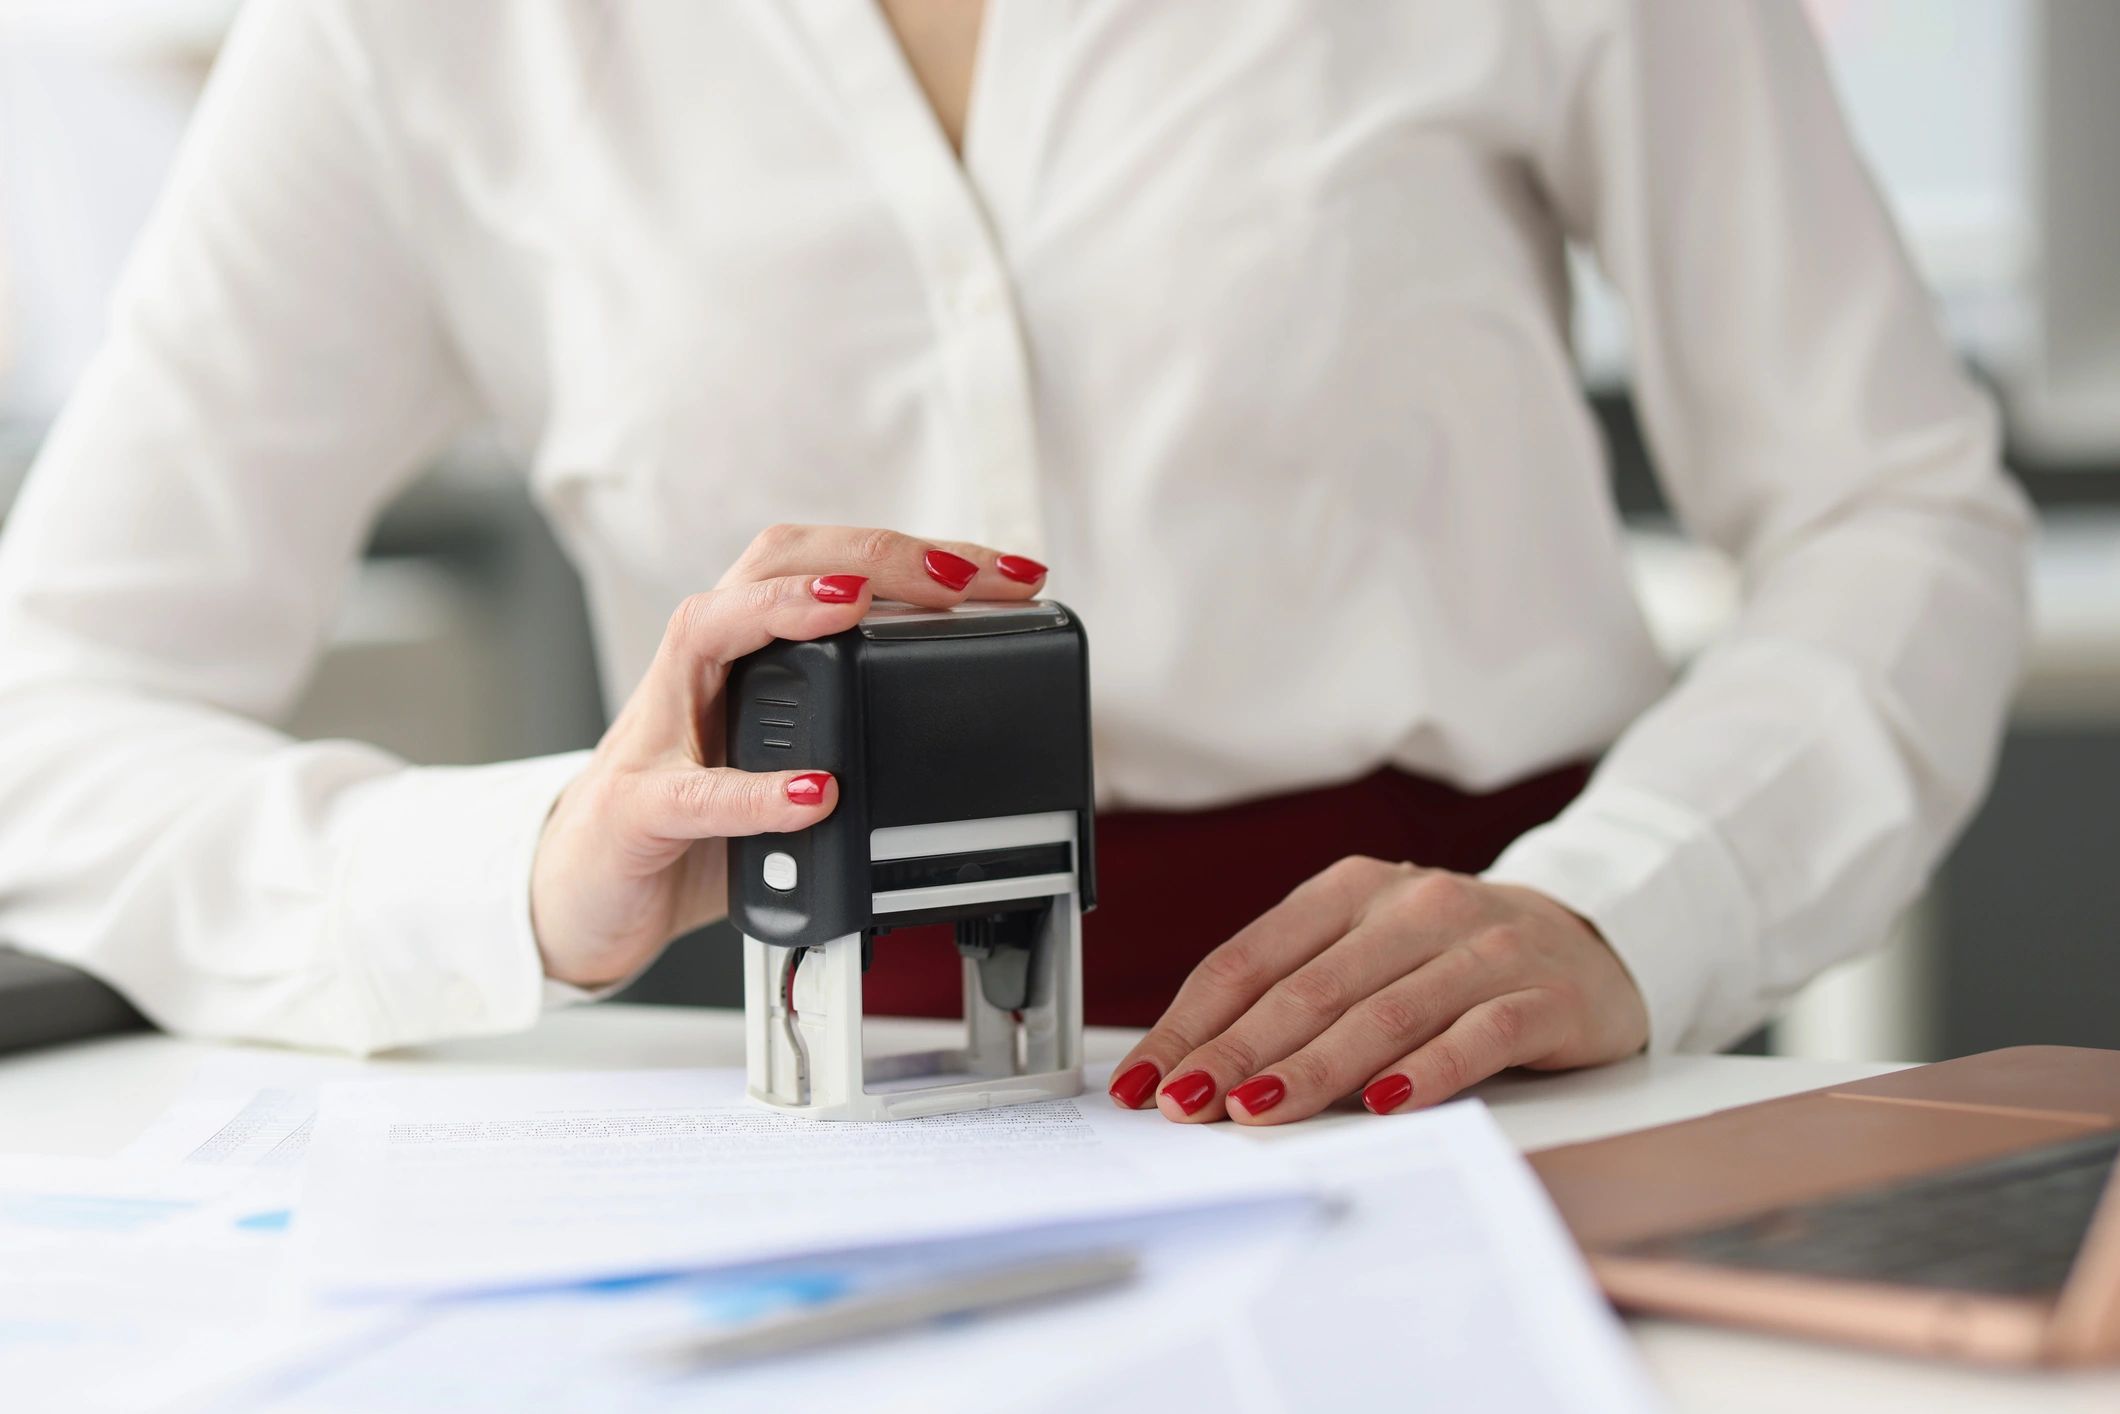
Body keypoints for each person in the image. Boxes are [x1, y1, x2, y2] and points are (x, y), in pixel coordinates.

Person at [0, 1, 2028, 1127]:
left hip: (1487, 1073)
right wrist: (536, 864)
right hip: (796, 1113)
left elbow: (1893, 506)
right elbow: (47, 716)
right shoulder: (399, 32)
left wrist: (1633, 899)